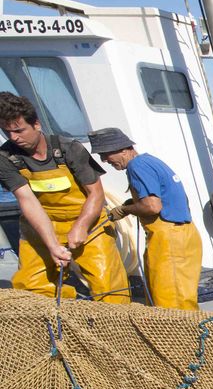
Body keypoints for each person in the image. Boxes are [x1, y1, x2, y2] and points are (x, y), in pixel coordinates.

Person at [0, 93, 129, 304]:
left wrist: (80, 227)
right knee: (30, 286)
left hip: (86, 221)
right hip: (40, 225)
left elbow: (96, 194)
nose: (13, 137)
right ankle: (68, 309)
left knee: (109, 287)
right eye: (6, 132)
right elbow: (27, 200)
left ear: (37, 124)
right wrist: (52, 245)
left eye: (19, 130)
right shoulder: (5, 158)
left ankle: (117, 330)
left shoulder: (69, 148)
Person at [87, 128, 201, 310]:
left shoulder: (136, 166)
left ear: (123, 149)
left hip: (169, 239)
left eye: (105, 154)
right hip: (183, 234)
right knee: (179, 297)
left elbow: (153, 206)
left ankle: (176, 338)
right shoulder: (150, 161)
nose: (104, 160)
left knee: (170, 303)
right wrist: (135, 202)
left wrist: (125, 209)